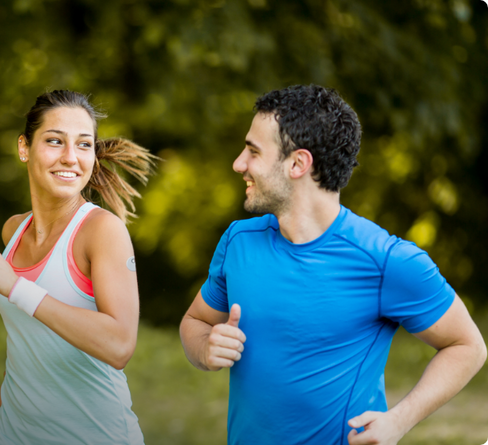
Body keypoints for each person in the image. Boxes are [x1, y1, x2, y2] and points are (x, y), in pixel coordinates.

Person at [178, 84, 487, 445]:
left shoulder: (386, 260)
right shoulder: (238, 240)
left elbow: (467, 347)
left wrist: (398, 422)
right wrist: (204, 348)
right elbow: (194, 322)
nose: (238, 163)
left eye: (252, 151)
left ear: (298, 163)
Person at [0, 90, 156, 444]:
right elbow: (26, 338)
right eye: (54, 141)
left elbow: (119, 345)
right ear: (24, 147)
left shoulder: (101, 231)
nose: (70, 158)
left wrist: (16, 288)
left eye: (83, 145)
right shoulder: (13, 231)